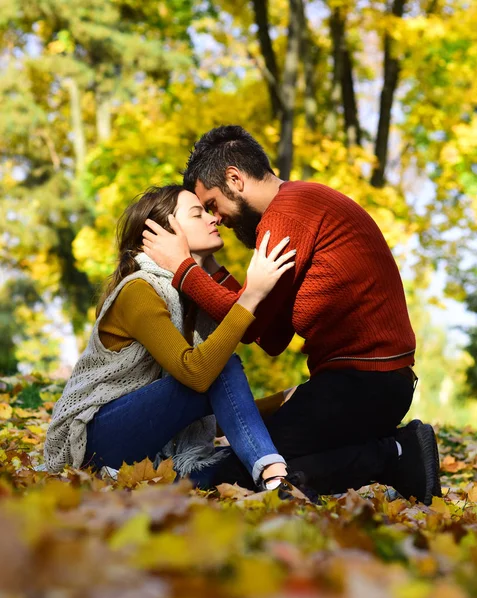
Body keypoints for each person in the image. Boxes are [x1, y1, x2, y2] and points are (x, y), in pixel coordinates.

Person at [141, 125, 442, 506]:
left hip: (363, 386)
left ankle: (393, 454)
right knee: (258, 457)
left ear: (235, 179)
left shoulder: (289, 214)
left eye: (213, 204)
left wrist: (182, 268)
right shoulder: (298, 205)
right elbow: (269, 333)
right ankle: (399, 454)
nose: (217, 219)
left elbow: (247, 322)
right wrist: (212, 267)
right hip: (369, 385)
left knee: (244, 468)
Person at [44, 185, 303, 494]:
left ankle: (283, 480)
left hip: (152, 450)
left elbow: (215, 404)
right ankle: (274, 477)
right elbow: (198, 374)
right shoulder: (139, 290)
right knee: (219, 364)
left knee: (247, 462)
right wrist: (251, 295)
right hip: (96, 443)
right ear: (164, 232)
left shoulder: (188, 295)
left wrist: (286, 400)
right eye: (197, 214)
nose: (213, 219)